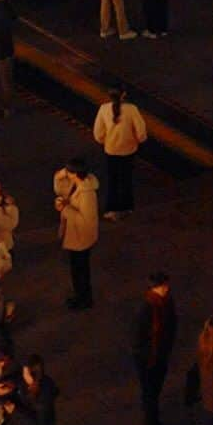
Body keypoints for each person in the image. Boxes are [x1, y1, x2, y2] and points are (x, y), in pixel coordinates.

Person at [133, 272, 177, 425]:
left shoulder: (166, 302)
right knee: (149, 393)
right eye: (162, 286)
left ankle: (154, 423)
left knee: (154, 392)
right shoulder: (145, 309)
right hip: (148, 359)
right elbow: (137, 338)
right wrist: (145, 356)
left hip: (160, 355)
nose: (165, 288)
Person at [93, 86, 147, 220]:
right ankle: (127, 207)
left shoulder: (103, 109)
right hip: (129, 150)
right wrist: (137, 140)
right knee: (126, 179)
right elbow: (141, 132)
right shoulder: (132, 109)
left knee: (112, 180)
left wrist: (105, 141)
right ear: (123, 95)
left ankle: (111, 210)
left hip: (111, 150)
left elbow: (98, 133)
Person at [53, 157, 99, 311]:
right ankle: (80, 296)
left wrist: (64, 209)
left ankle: (84, 299)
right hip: (75, 236)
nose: (66, 174)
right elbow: (59, 188)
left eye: (69, 171)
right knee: (77, 269)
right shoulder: (78, 185)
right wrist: (61, 174)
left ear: (75, 174)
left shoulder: (87, 195)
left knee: (80, 271)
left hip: (81, 238)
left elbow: (85, 220)